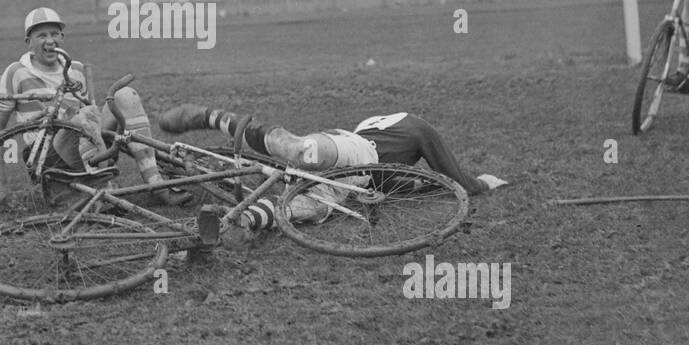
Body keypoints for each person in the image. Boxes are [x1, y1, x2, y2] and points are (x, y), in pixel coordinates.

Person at [159, 103, 507, 233]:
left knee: (310, 206)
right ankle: (213, 117)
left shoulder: (382, 124)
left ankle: (233, 222)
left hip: (354, 176)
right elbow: (455, 177)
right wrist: (483, 183)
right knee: (298, 151)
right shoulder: (419, 129)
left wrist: (417, 188)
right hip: (355, 153)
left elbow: (396, 183)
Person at [0, 7, 190, 206]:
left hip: (85, 144)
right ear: (29, 42)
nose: (50, 41)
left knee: (125, 96)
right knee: (81, 118)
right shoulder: (16, 72)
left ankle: (156, 184)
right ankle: (104, 188)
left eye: (55, 33)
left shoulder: (76, 69)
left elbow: (92, 117)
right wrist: (0, 184)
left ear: (62, 38)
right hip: (46, 156)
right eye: (41, 35)